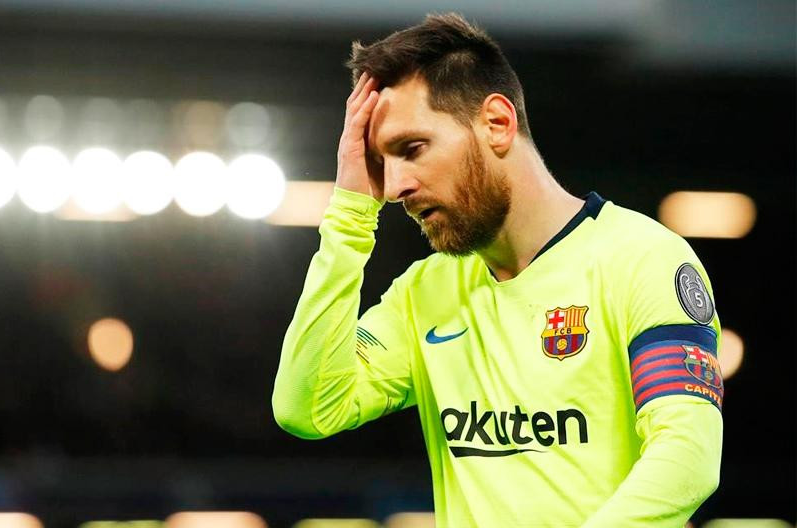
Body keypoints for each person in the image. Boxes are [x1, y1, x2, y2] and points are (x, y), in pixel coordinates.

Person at [272, 13, 723, 528]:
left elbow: (686, 458)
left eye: (412, 149)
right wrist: (351, 213)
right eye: (381, 162)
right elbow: (307, 408)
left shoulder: (642, 257)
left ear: (497, 124)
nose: (394, 186)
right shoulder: (424, 293)